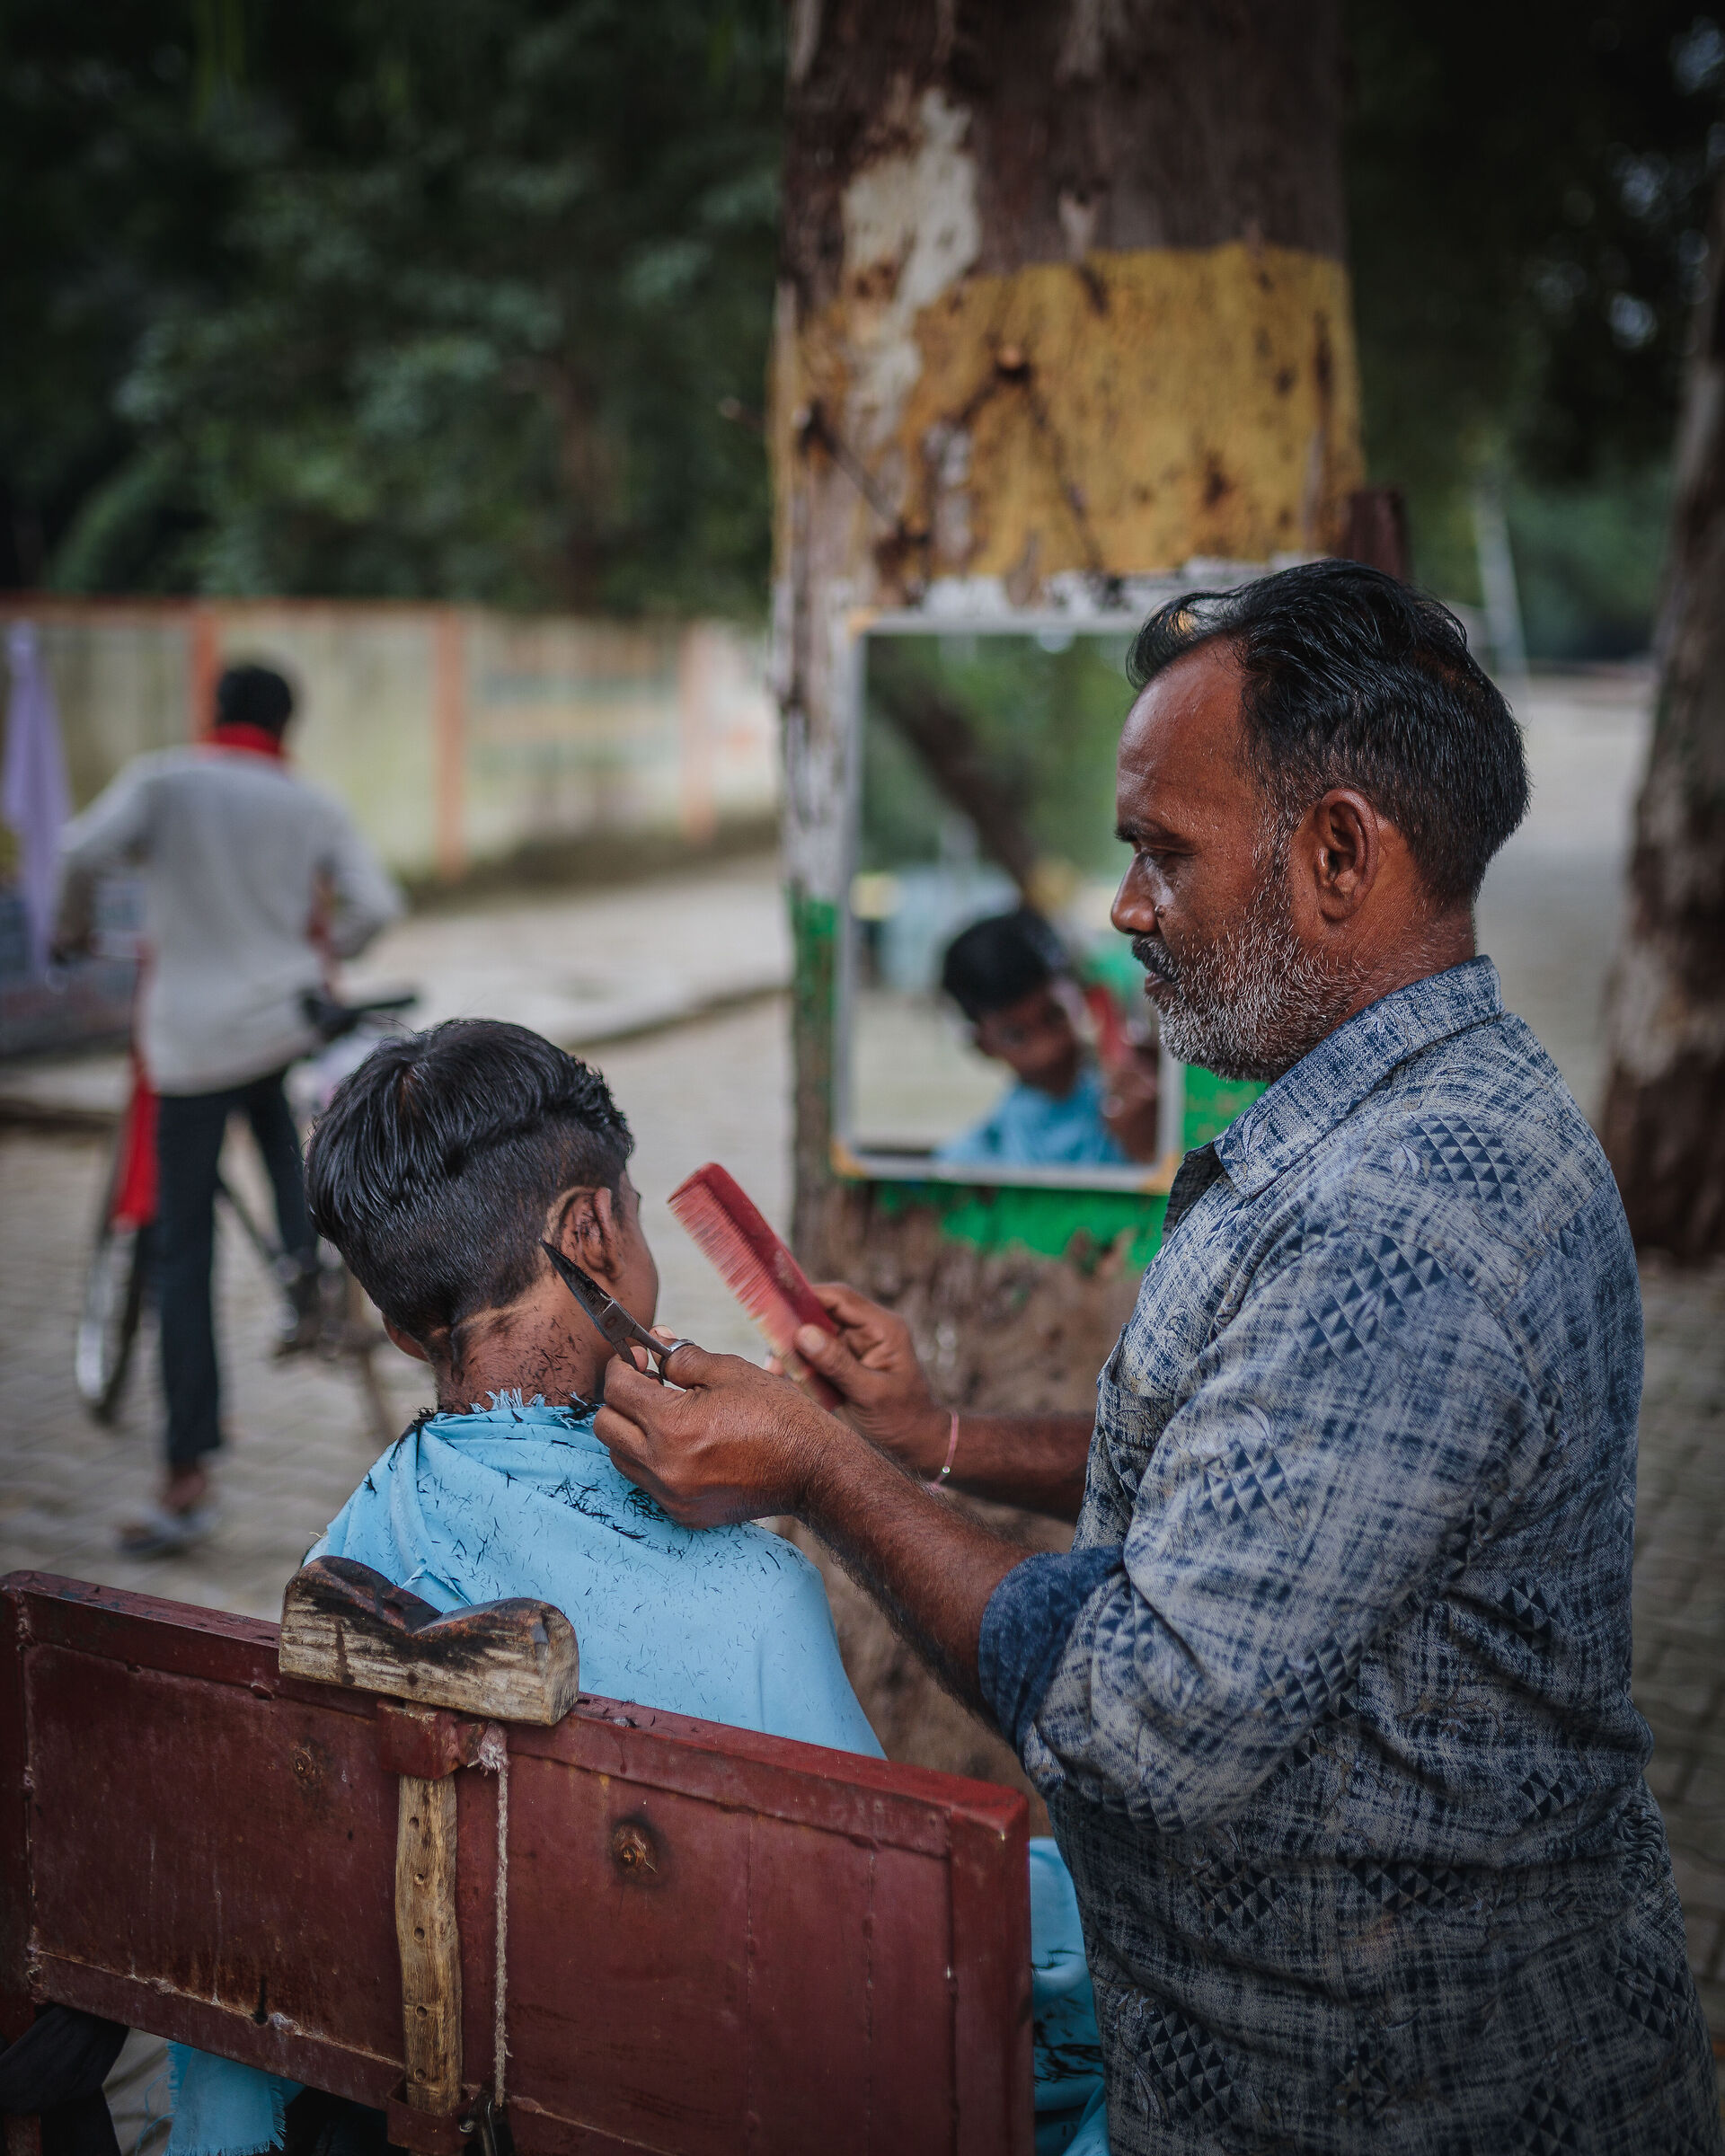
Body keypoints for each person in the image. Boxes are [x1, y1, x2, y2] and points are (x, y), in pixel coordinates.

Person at [593, 561, 1722, 2154]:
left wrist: (819, 1468)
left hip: (1407, 2097)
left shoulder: (1398, 1219)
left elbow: (1145, 1727)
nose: (1125, 909)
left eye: (1161, 855)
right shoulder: (1406, 1110)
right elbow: (1247, 1489)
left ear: (1338, 851)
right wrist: (936, 1437)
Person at [158, 1020, 1107, 2156]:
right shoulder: (751, 1595)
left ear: (407, 1323)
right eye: (639, 1218)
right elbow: (883, 1988)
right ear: (592, 1232)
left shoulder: (345, 1564)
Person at [54, 664, 402, 1555]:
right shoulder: (309, 805)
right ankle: (307, 1282)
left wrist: (70, 929)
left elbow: (80, 852)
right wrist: (314, 953)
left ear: (216, 714)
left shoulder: (165, 781)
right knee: (290, 1160)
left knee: (182, 1259)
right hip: (279, 1024)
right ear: (286, 726)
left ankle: (188, 1472)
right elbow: (376, 906)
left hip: (185, 1044)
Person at [934, 909, 1159, 1166]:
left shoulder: (1146, 1108)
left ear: (1084, 998)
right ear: (982, 1046)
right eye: (1015, 1036)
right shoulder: (972, 1162)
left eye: (1055, 1016)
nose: (1048, 1051)